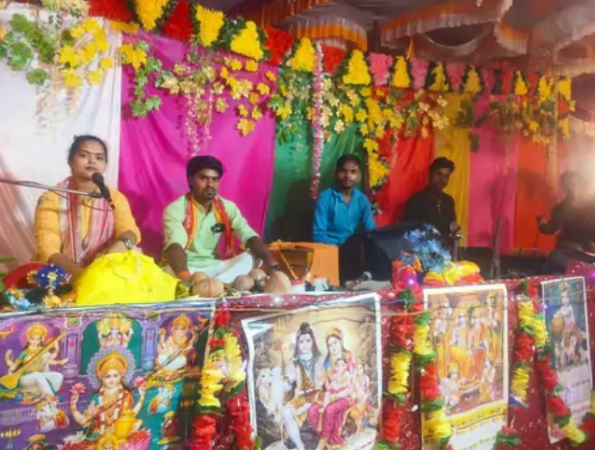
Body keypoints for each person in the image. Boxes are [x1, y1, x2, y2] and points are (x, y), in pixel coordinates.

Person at [34, 135, 141, 277]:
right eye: (84, 155)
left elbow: (131, 232)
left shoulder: (114, 198)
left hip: (104, 271)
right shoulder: (51, 198)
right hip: (60, 274)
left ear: (105, 166)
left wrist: (114, 251)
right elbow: (48, 250)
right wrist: (85, 276)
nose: (92, 161)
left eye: (99, 158)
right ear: (70, 161)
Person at [162, 155, 279, 283]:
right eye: (203, 178)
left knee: (251, 257)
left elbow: (249, 236)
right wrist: (185, 277)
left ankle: (211, 285)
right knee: (170, 271)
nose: (210, 185)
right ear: (190, 180)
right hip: (186, 268)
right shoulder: (176, 209)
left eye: (215, 179)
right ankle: (211, 285)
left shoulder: (227, 207)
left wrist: (274, 268)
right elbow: (175, 245)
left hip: (215, 268)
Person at [312, 154, 376, 246]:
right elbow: (318, 234)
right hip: (329, 248)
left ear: (359, 176)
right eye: (343, 171)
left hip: (352, 248)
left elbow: (371, 230)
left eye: (353, 172)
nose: (348, 176)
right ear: (336, 174)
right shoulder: (325, 198)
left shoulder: (362, 199)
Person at [538, 171, 595, 272]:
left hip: (590, 245)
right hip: (570, 246)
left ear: (580, 185)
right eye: (566, 185)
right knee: (558, 257)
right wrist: (542, 225)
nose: (570, 188)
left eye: (573, 184)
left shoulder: (592, 203)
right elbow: (551, 229)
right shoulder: (559, 209)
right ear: (563, 188)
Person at [403, 157, 459, 245]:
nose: (442, 179)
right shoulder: (415, 201)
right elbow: (409, 233)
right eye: (439, 174)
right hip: (422, 250)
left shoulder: (449, 201)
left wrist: (454, 228)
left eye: (446, 176)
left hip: (446, 251)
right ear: (430, 174)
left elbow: (451, 227)